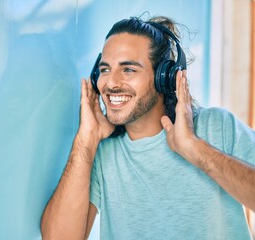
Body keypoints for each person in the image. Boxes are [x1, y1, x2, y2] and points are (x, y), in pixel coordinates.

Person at [40, 15, 255, 239]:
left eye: (128, 70)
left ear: (166, 77)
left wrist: (194, 148)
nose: (111, 83)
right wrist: (86, 138)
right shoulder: (102, 153)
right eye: (104, 70)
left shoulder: (217, 127)